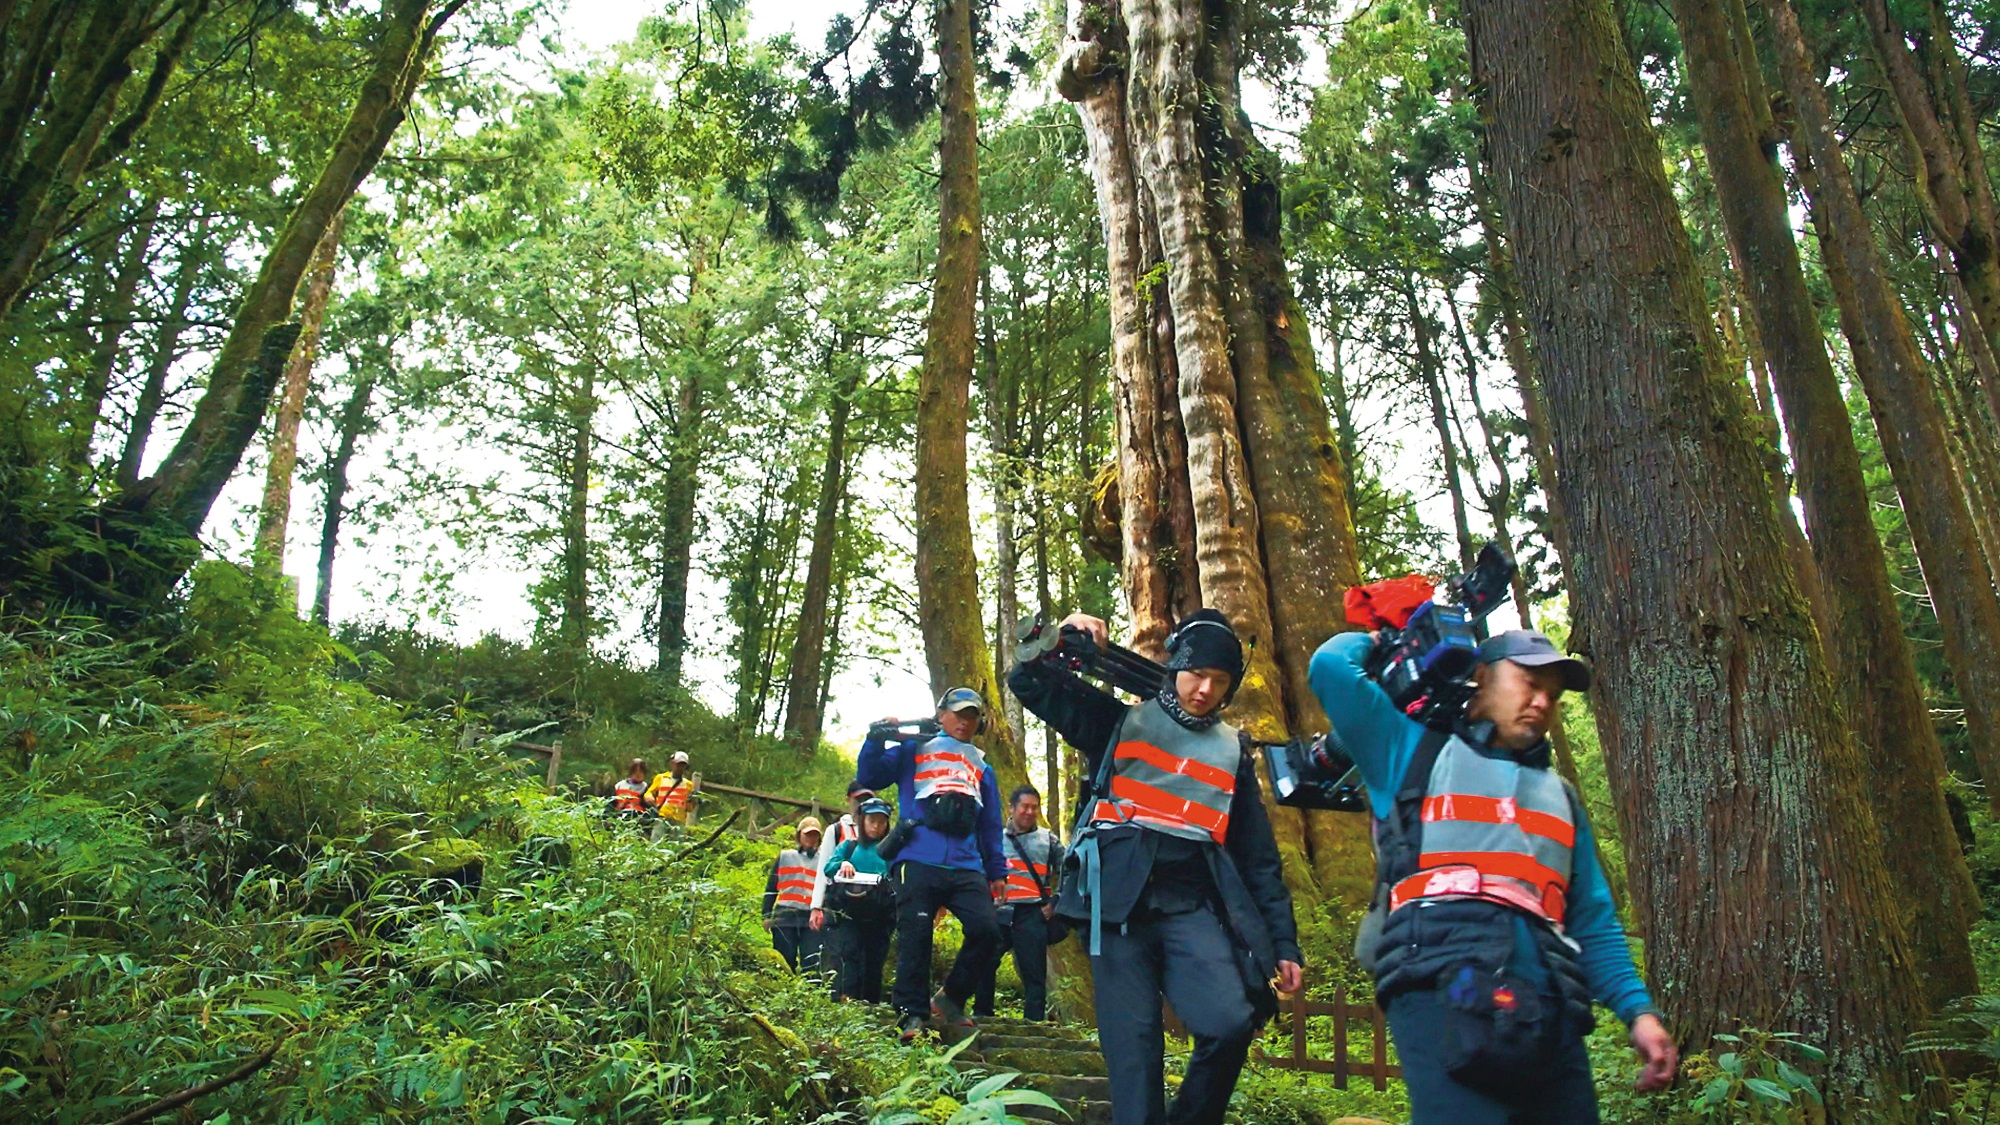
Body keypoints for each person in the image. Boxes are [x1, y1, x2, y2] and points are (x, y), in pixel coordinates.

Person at [1309, 627, 1677, 1123]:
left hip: (1551, 999)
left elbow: (1593, 921)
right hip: (1441, 981)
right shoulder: (1409, 750)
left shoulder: (1561, 797)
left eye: (1553, 693)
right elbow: (1330, 669)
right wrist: (1388, 637)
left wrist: (1639, 1014)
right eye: (1528, 682)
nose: (1542, 701)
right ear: (1481, 678)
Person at [1009, 609, 1301, 1125]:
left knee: (1230, 1022)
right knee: (1135, 1047)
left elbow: (1258, 860)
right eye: (1197, 674)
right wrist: (1065, 631)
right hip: (1116, 909)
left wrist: (1282, 943)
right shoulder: (1121, 721)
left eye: (1220, 681)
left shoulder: (1233, 751)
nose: (1206, 689)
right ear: (1174, 667)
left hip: (1192, 908)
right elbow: (1027, 679)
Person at [855, 687, 1008, 1043]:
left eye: (972, 715)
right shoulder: (913, 749)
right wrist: (875, 740)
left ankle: (951, 998)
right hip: (917, 858)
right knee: (916, 935)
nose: (965, 721)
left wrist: (997, 870)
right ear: (942, 715)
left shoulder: (982, 765)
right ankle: (911, 1014)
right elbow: (870, 776)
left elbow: (990, 824)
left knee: (987, 930)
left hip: (966, 863)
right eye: (959, 713)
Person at [973, 784, 1064, 1022]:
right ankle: (983, 1016)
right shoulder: (992, 838)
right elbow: (976, 869)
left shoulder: (1048, 839)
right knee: (984, 962)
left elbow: (1069, 869)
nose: (1029, 811)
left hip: (1033, 912)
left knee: (1034, 974)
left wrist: (1057, 900)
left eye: (1034, 807)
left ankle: (1034, 1024)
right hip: (998, 911)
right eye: (1025, 806)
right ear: (1012, 808)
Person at [818, 796, 898, 1003]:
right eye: (872, 821)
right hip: (848, 915)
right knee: (846, 959)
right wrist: (843, 864)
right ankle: (845, 1001)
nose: (876, 826)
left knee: (874, 963)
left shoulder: (892, 852)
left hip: (880, 918)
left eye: (882, 822)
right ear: (863, 821)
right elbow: (828, 867)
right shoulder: (849, 847)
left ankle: (871, 1005)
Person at [763, 817, 825, 972]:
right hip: (785, 915)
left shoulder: (825, 860)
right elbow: (771, 887)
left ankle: (809, 994)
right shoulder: (785, 856)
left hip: (811, 918)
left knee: (812, 962)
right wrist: (766, 914)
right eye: (807, 835)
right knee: (784, 960)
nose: (811, 839)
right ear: (799, 836)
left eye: (814, 835)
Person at [646, 751, 699, 824]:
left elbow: (688, 808)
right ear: (672, 763)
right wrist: (649, 797)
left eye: (683, 765)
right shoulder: (661, 778)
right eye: (678, 764)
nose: (680, 768)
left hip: (679, 820)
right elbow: (649, 792)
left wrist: (694, 801)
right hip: (661, 817)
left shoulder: (688, 785)